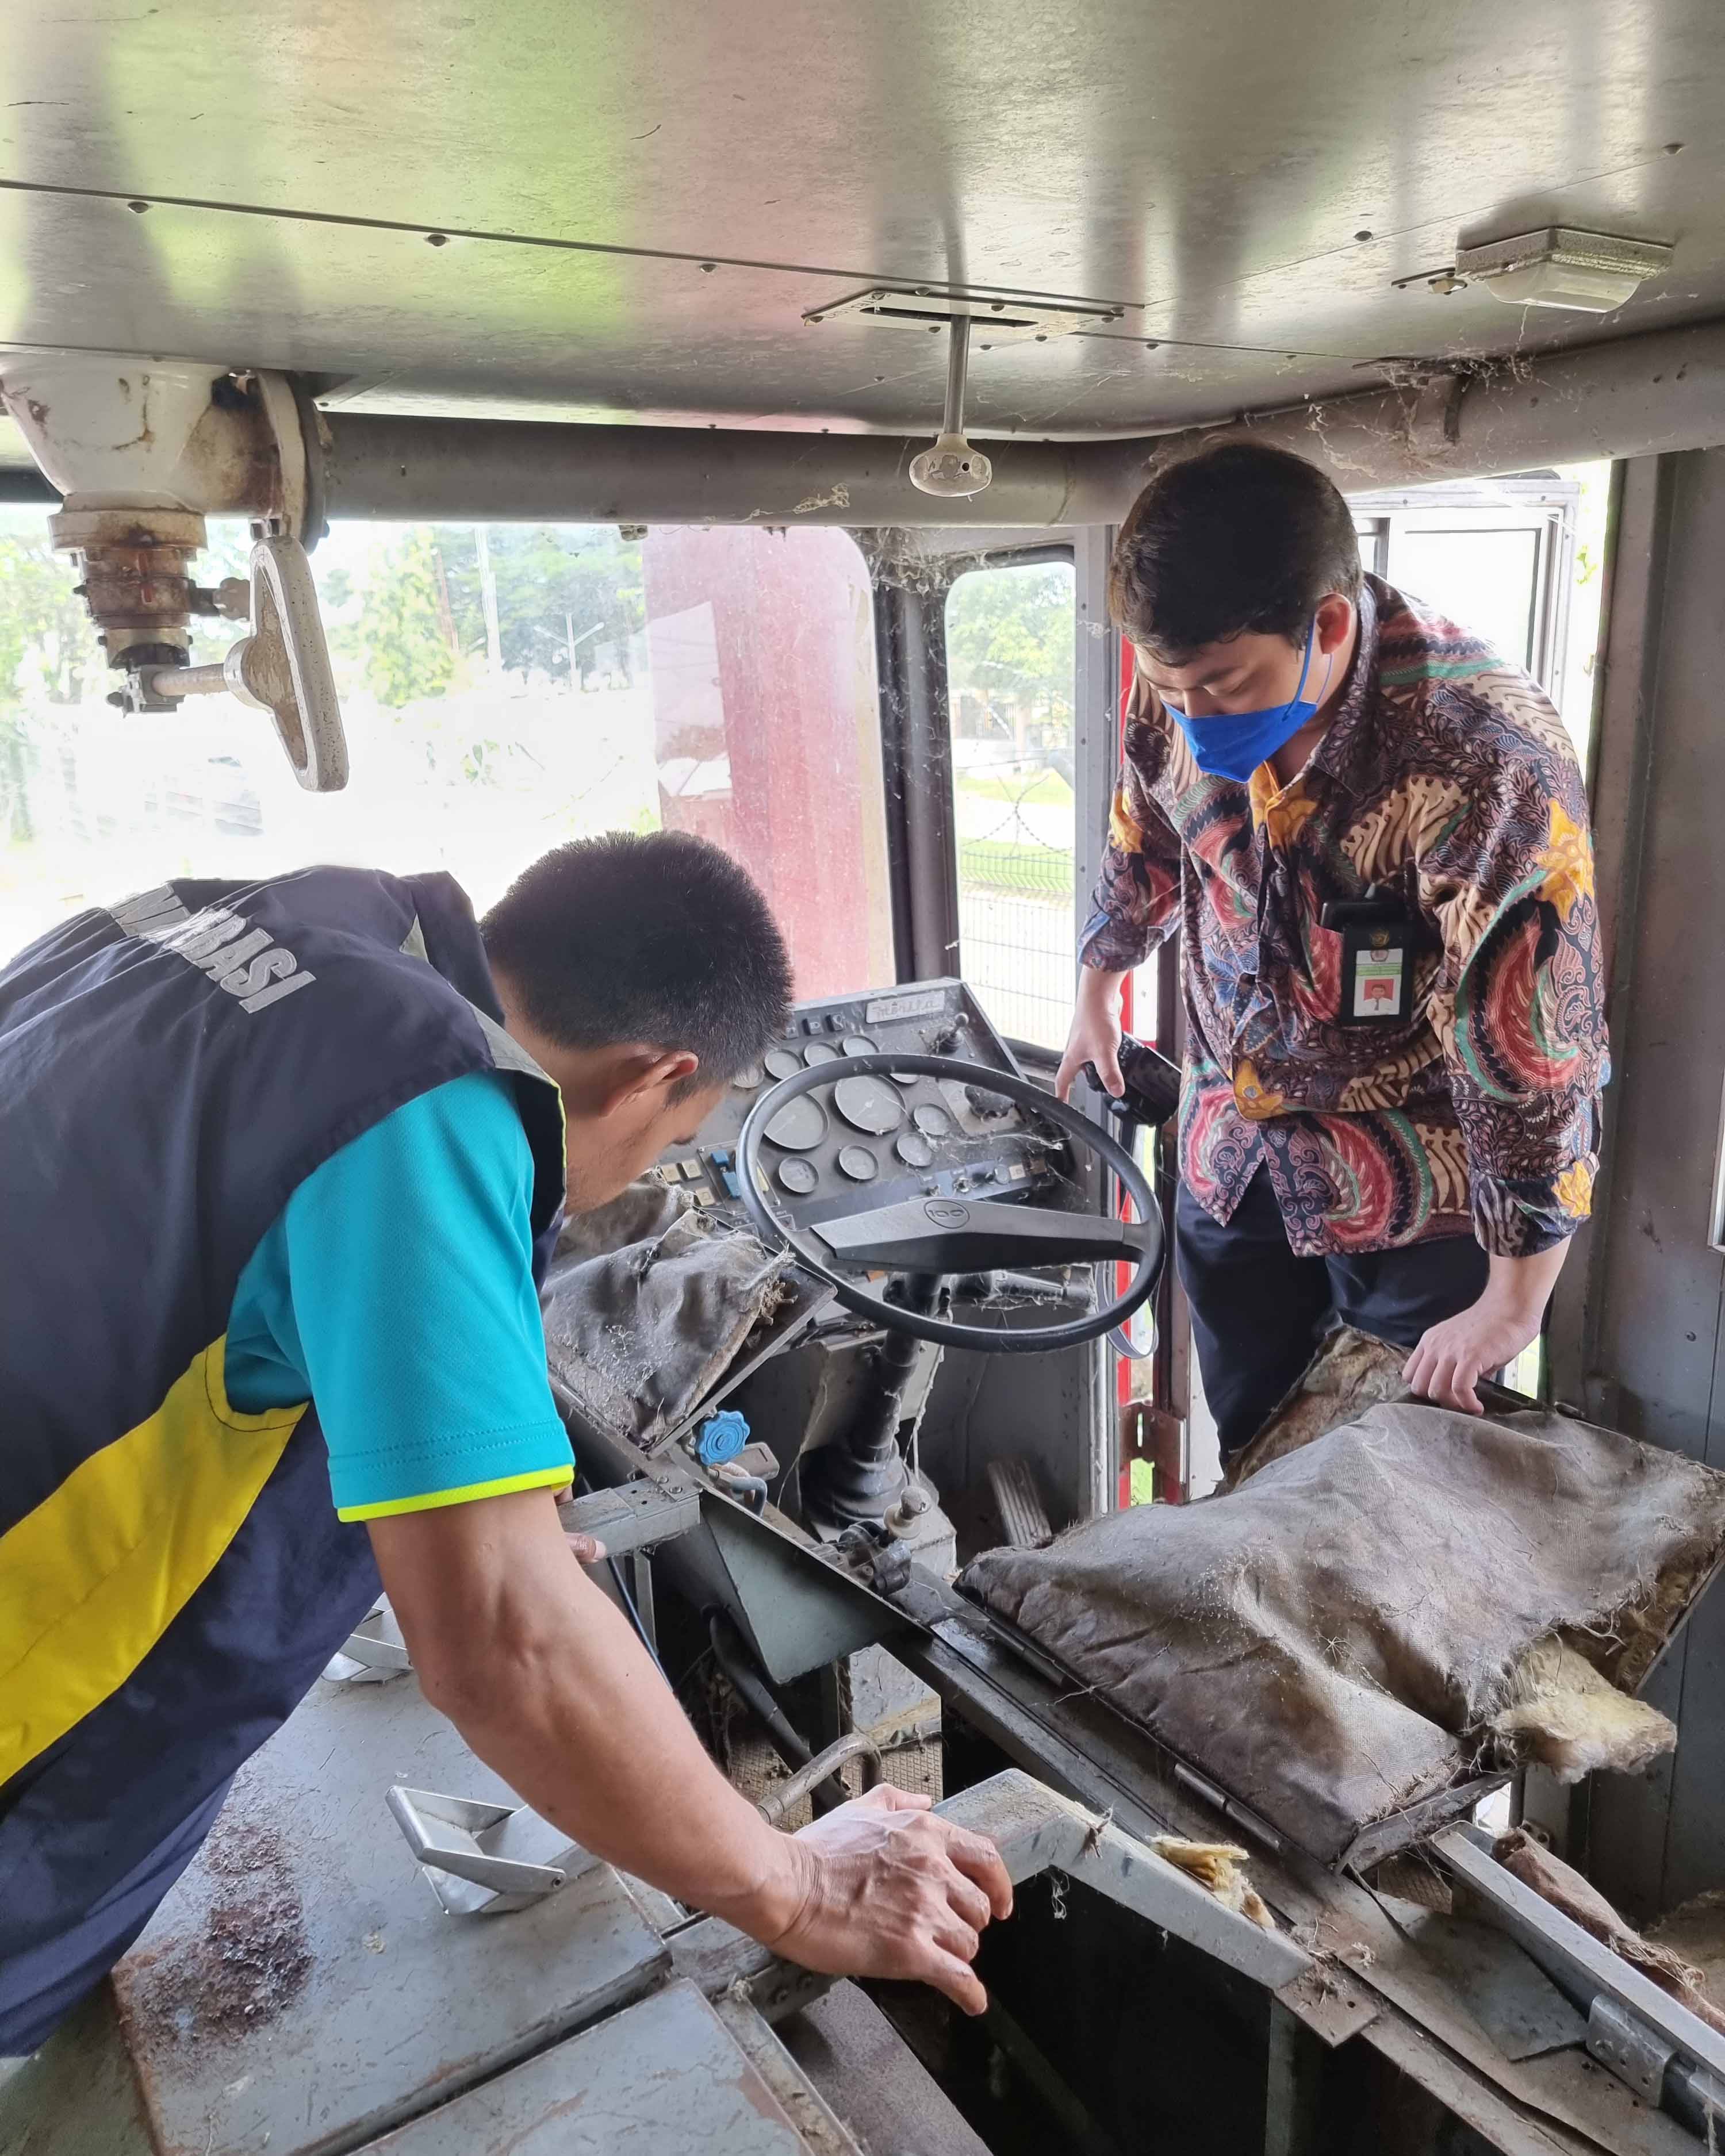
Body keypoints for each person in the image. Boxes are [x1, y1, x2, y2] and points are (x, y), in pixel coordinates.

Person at [0, 831, 1011, 2056]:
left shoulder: (241, 923)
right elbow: (500, 1645)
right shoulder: (429, 1109)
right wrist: (795, 1883)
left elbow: (168, 1287)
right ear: (651, 1077)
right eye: (671, 1138)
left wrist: (486, 1526)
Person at [1057, 444, 1608, 1462]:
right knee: (1257, 1452)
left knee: (1398, 1492)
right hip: (1236, 1152)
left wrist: (1513, 1299)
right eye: (1171, 689)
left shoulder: (1484, 757)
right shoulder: (1179, 676)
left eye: (1222, 688)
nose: (1192, 716)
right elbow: (1144, 833)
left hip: (1416, 1189)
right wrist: (1100, 987)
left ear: (1330, 627)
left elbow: (1529, 1045)